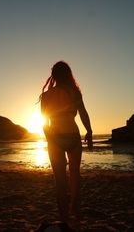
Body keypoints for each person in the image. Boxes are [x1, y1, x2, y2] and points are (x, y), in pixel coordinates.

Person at [40, 61, 93, 223]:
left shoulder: (47, 96)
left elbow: (44, 122)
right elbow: (83, 114)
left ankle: (63, 217)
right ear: (68, 74)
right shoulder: (74, 93)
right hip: (73, 136)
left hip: (55, 137)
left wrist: (51, 139)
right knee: (75, 174)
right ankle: (75, 206)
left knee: (60, 179)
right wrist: (89, 132)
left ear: (53, 75)